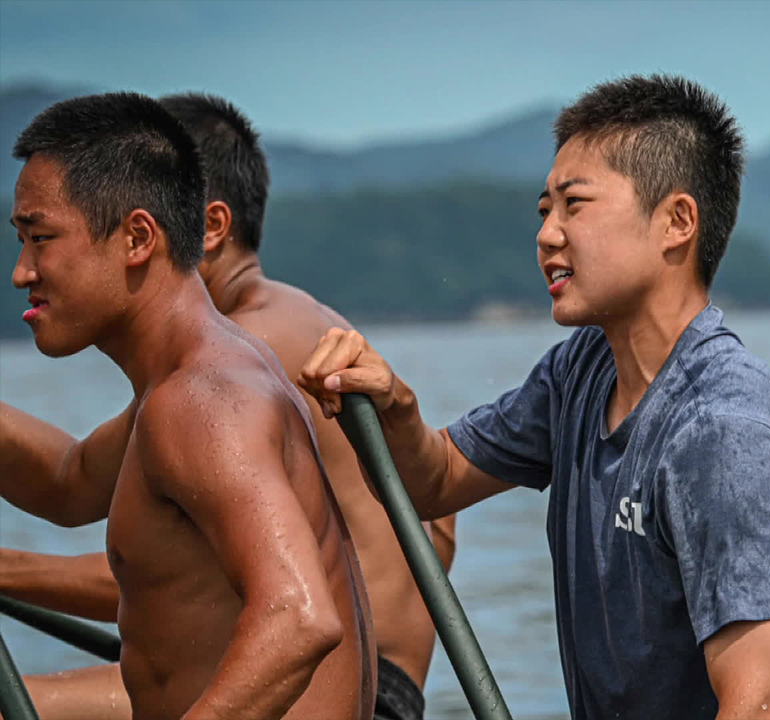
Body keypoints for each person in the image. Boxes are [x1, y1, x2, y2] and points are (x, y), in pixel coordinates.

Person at [296, 74, 770, 719]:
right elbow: (438, 478)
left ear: (676, 222)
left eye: (575, 205)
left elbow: (761, 705)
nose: (547, 235)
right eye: (545, 211)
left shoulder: (724, 429)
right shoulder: (582, 369)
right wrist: (394, 401)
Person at [0, 93, 456, 720]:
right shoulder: (199, 374)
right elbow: (70, 482)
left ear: (140, 235)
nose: (21, 272)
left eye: (41, 239)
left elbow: (297, 617)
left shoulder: (206, 394)